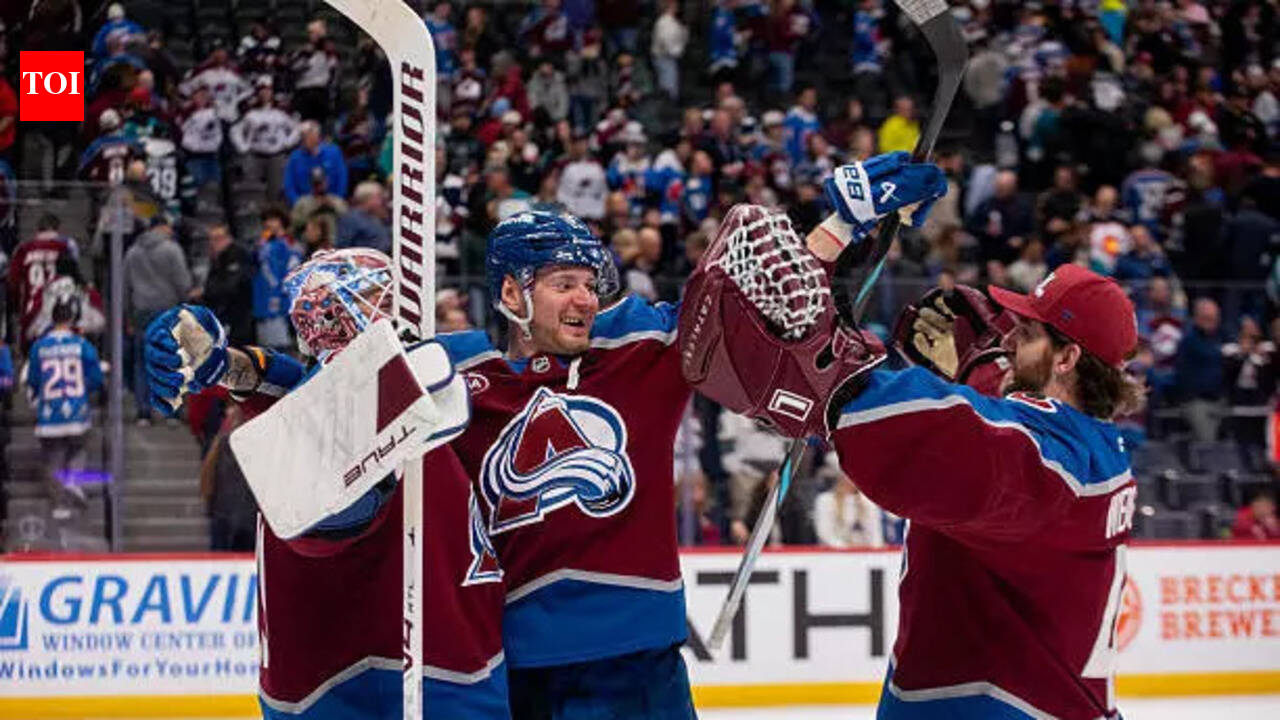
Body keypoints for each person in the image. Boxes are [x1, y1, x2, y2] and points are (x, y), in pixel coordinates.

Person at [683, 150, 1140, 718]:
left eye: (1025, 335)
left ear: (1067, 359)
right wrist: (976, 368)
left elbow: (952, 442)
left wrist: (838, 373)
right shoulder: (1090, 448)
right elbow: (999, 423)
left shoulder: (1048, 464)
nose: (1006, 341)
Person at [142, 248, 508, 717]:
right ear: (337, 315)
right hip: (373, 682)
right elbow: (322, 495)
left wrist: (227, 365)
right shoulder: (314, 424)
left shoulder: (435, 377)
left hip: (459, 664)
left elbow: (281, 380)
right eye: (381, 297)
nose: (400, 310)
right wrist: (224, 365)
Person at [21, 290, 104, 520]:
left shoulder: (39, 347)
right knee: (78, 447)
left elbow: (33, 379)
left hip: (49, 413)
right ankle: (75, 479)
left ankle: (59, 506)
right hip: (76, 409)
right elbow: (96, 378)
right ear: (71, 320)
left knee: (53, 458)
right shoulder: (82, 345)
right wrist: (84, 390)